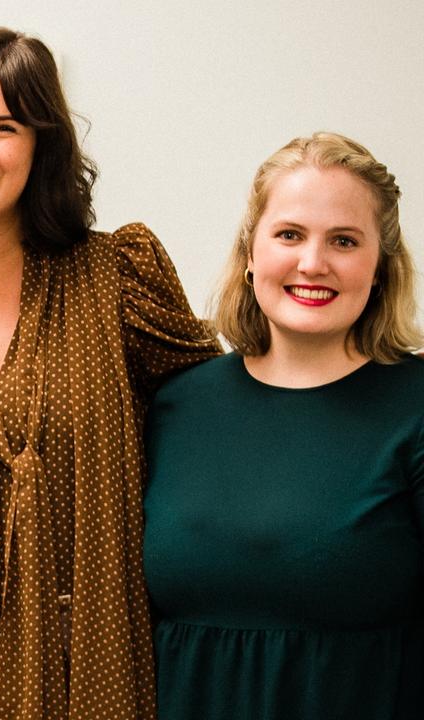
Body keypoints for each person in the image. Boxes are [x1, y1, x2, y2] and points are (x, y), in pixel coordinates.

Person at [0, 28, 221, 719]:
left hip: (93, 666)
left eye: (3, 127)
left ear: (41, 147)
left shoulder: (119, 280)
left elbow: (217, 432)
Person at [144, 132, 424, 719]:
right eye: (289, 234)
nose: (312, 262)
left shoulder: (414, 406)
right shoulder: (172, 404)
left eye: (344, 241)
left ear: (379, 268)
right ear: (250, 254)